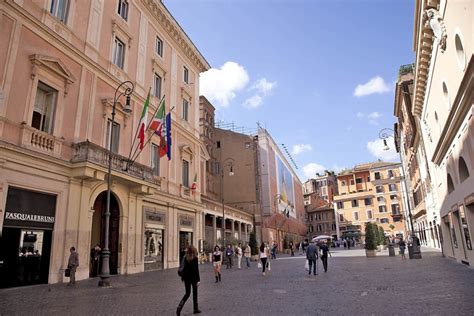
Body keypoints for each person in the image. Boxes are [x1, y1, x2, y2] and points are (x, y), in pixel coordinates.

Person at [177, 245, 201, 315]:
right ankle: (195, 309)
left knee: (187, 294)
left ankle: (179, 307)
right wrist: (198, 280)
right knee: (195, 294)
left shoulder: (185, 258)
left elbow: (183, 269)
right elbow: (196, 270)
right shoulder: (195, 258)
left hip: (186, 279)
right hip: (193, 279)